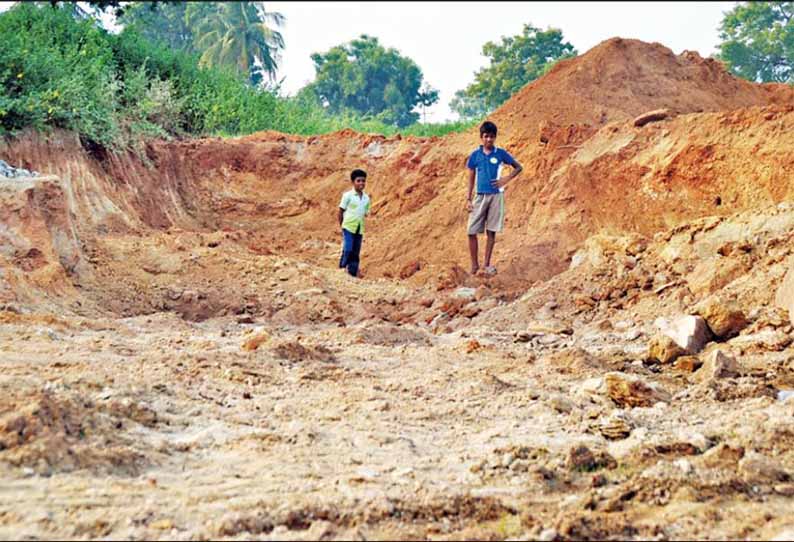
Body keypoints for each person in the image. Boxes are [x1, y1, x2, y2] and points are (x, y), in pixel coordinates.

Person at [465, 120, 523, 276]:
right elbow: (471, 178)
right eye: (486, 136)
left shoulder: (500, 153)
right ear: (481, 137)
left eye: (491, 137)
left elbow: (518, 167)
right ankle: (474, 266)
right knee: (471, 231)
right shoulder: (475, 155)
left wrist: (505, 179)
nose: (489, 139)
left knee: (491, 231)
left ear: (495, 137)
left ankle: (487, 265)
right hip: (480, 196)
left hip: (496, 197)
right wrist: (468, 199)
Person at [338, 168, 371, 277]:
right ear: (353, 182)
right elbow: (341, 210)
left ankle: (352, 273)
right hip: (348, 226)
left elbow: (366, 212)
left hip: (359, 228)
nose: (361, 183)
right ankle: (341, 269)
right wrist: (342, 225)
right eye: (358, 181)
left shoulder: (366, 198)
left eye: (363, 181)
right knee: (348, 248)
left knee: (356, 251)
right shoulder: (347, 196)